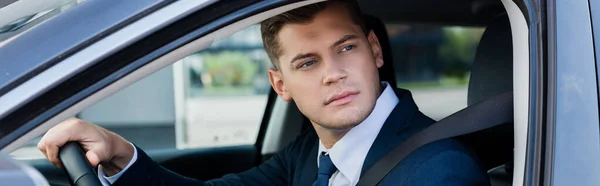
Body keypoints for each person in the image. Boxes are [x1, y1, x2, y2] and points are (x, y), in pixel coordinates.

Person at [38, 1, 490, 185]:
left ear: (374, 51)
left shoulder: (440, 169)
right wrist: (122, 156)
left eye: (346, 48)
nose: (333, 74)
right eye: (307, 62)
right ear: (281, 84)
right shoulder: (313, 153)